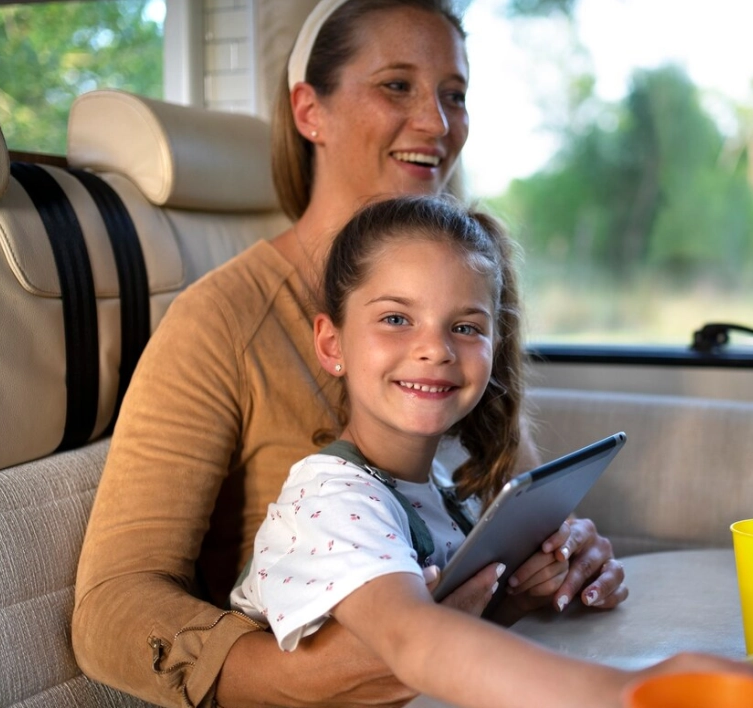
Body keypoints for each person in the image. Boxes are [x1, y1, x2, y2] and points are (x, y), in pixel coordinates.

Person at [72, 2, 627, 707]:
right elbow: (110, 609)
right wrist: (314, 674)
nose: (437, 123)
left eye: (454, 95)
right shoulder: (218, 323)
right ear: (310, 110)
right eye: (397, 85)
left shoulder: (462, 302)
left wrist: (557, 558)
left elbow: (499, 507)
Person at [230, 194, 753, 708]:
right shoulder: (328, 500)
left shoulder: (447, 492)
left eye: (466, 327)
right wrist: (628, 689)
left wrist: (524, 595)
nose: (435, 348)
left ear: (494, 347)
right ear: (332, 344)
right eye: (396, 319)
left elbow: (452, 628)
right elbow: (413, 640)